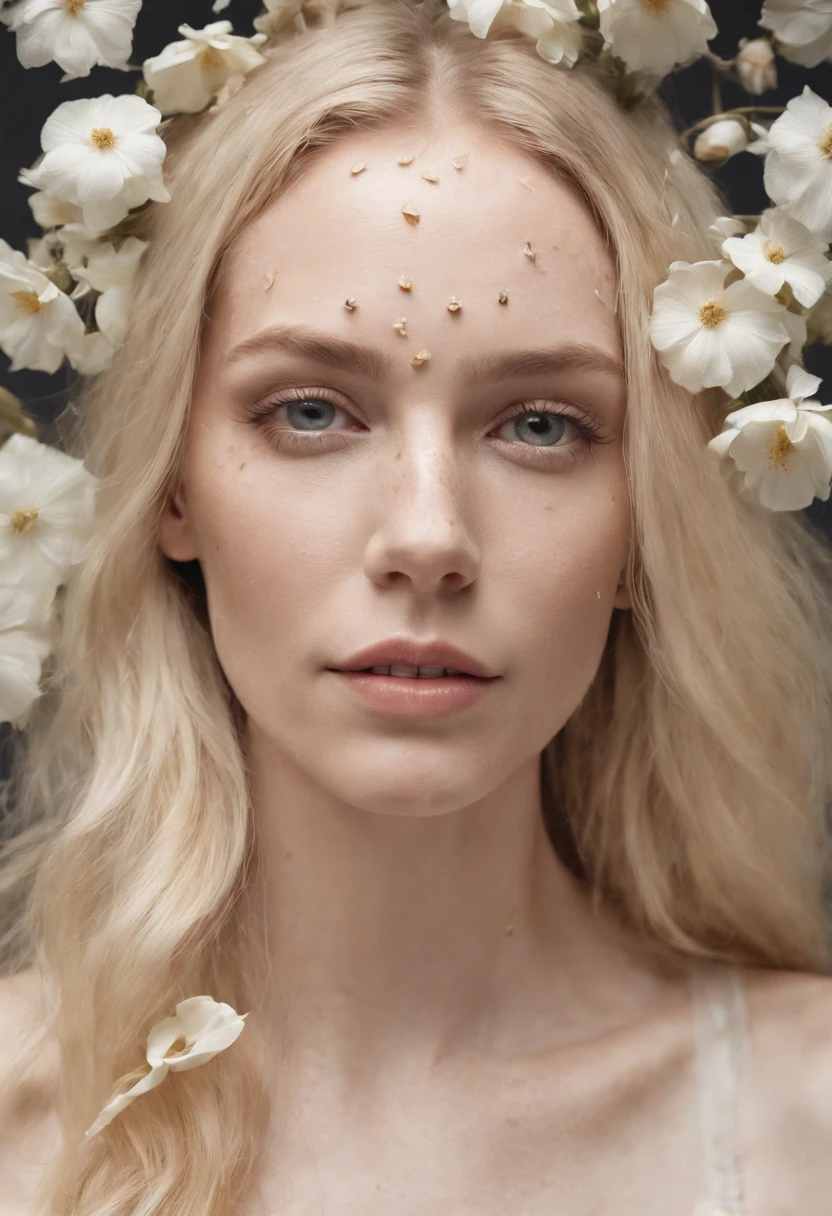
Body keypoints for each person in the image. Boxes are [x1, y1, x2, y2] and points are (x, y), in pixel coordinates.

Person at [1, 1, 832, 1213]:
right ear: (174, 487)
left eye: (540, 426)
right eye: (311, 412)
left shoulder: (803, 1125)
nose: (428, 537)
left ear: (647, 516)